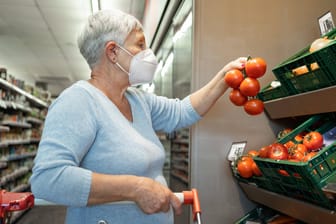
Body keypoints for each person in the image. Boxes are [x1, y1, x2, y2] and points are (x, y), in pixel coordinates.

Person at [30, 9, 246, 224]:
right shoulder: (78, 101)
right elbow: (48, 178)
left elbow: (182, 111)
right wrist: (135, 188)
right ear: (113, 52)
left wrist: (224, 78)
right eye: (141, 45)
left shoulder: (138, 100)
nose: (147, 53)